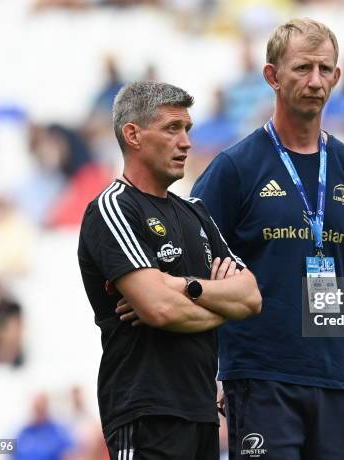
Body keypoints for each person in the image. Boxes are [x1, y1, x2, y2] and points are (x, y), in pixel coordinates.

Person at [191, 18, 344, 460]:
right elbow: (195, 267)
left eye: (325, 69)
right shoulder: (235, 168)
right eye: (302, 69)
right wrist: (215, 368)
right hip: (259, 375)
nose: (316, 81)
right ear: (272, 76)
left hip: (333, 376)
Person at [77, 81, 262, 460]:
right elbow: (158, 308)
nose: (186, 142)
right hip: (146, 411)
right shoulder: (113, 209)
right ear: (133, 135)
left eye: (188, 130)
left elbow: (250, 298)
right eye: (172, 128)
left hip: (202, 413)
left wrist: (185, 288)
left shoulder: (196, 211)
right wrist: (216, 302)